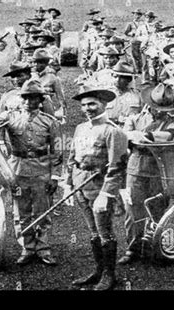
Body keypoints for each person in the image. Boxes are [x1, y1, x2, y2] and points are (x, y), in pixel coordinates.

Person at [0, 79, 62, 266]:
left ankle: (42, 248)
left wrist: (55, 176)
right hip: (17, 170)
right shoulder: (11, 117)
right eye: (25, 98)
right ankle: (27, 247)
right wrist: (5, 114)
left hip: (42, 171)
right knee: (21, 211)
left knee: (43, 211)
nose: (28, 102)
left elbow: (57, 151)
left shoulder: (50, 122)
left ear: (40, 100)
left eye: (33, 98)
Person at [67, 85, 128, 290]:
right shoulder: (81, 128)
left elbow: (117, 166)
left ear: (103, 104)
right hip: (80, 184)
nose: (87, 108)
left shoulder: (113, 131)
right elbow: (72, 157)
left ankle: (109, 276)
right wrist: (68, 184)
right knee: (93, 232)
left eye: (92, 103)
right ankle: (98, 271)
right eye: (84, 105)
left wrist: (106, 194)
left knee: (104, 232)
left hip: (99, 187)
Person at [119, 83, 174, 265]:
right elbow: (125, 138)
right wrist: (138, 137)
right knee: (133, 210)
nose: (160, 111)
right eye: (157, 107)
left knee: (158, 208)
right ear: (149, 103)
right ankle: (133, 248)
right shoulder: (134, 118)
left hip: (161, 170)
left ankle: (155, 247)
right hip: (136, 168)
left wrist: (144, 137)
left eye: (165, 108)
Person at [31, 48, 66, 120]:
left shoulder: (52, 77)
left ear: (46, 63)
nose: (36, 65)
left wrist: (63, 110)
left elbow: (60, 96)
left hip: (46, 105)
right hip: (31, 104)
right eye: (34, 62)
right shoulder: (31, 75)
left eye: (40, 63)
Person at [105, 61, 141, 126]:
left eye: (122, 78)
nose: (117, 80)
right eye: (115, 76)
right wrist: (116, 120)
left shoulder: (137, 96)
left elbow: (142, 118)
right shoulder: (105, 94)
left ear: (128, 80)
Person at [124, 8, 144, 73]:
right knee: (134, 55)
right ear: (134, 15)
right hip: (133, 40)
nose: (138, 16)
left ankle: (141, 68)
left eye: (139, 15)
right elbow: (126, 32)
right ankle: (136, 69)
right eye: (136, 14)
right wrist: (131, 33)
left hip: (142, 41)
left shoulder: (143, 23)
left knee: (141, 55)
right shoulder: (130, 23)